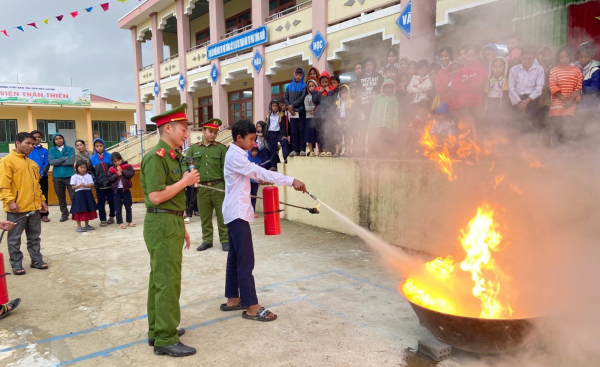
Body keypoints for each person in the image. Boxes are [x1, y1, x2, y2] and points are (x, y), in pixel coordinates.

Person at [220, 119, 306, 322]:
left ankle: (233, 299)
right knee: (246, 261)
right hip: (237, 213)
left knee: (234, 258)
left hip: (234, 212)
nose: (254, 143)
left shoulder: (237, 154)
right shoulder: (236, 156)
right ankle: (251, 306)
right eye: (251, 139)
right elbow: (258, 171)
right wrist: (290, 180)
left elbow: (250, 174)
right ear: (239, 138)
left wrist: (256, 178)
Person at [141, 103, 199, 357]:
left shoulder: (173, 156)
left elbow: (171, 199)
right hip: (162, 223)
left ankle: (158, 330)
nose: (186, 134)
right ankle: (166, 337)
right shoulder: (156, 157)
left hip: (170, 221)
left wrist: (181, 224)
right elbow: (155, 197)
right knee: (167, 281)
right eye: (183, 129)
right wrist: (185, 181)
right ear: (168, 128)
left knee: (159, 279)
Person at [0, 132, 49, 275]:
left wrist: (42, 200)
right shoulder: (7, 161)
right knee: (14, 237)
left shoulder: (32, 164)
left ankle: (36, 260)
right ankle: (16, 264)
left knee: (35, 236)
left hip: (34, 208)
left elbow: (36, 185)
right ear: (17, 143)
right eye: (27, 143)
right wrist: (10, 201)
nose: (31, 146)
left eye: (33, 144)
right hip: (17, 208)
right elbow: (3, 185)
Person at [186, 119, 229, 251]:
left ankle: (225, 240)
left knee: (222, 216)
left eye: (215, 132)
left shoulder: (221, 149)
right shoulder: (193, 149)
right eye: (210, 131)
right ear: (203, 131)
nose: (213, 134)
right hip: (202, 188)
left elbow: (225, 169)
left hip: (218, 186)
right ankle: (207, 240)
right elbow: (187, 164)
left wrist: (228, 188)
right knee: (205, 216)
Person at [548, 46, 583, 143]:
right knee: (557, 129)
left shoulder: (577, 71)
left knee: (568, 128)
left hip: (570, 105)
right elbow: (553, 86)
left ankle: (567, 152)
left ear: (571, 57)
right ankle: (557, 152)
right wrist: (563, 100)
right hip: (557, 104)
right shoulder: (554, 71)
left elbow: (578, 87)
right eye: (561, 57)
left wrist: (571, 100)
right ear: (558, 58)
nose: (564, 59)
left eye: (566, 57)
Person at [509, 46, 546, 131]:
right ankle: (515, 143)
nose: (526, 61)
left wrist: (526, 101)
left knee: (531, 124)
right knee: (516, 124)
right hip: (517, 100)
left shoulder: (539, 69)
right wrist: (519, 102)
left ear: (534, 58)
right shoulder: (514, 69)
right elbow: (511, 87)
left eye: (530, 59)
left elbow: (539, 87)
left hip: (532, 100)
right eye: (524, 58)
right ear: (520, 57)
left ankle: (529, 142)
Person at [452, 44, 488, 121]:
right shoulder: (461, 70)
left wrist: (466, 82)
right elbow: (455, 85)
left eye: (473, 55)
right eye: (469, 56)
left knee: (475, 125)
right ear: (466, 57)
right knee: (463, 125)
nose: (471, 58)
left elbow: (480, 82)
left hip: (476, 103)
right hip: (462, 103)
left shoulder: (481, 68)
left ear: (477, 55)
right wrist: (470, 82)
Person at [368, 79, 399, 156]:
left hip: (388, 125)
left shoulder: (394, 99)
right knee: (377, 140)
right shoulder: (378, 97)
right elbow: (373, 110)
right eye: (386, 87)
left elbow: (396, 114)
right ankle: (376, 153)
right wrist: (371, 124)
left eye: (390, 87)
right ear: (383, 88)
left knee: (387, 140)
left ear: (393, 88)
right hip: (378, 124)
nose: (388, 89)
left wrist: (395, 127)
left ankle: (385, 154)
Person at [90, 138, 116, 227]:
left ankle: (112, 216)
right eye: (97, 146)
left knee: (111, 201)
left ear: (103, 146)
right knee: (101, 202)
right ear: (94, 147)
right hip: (99, 185)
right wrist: (95, 180)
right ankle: (103, 219)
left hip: (110, 184)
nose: (99, 148)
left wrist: (112, 179)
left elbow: (114, 168)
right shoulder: (92, 158)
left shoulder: (109, 156)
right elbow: (90, 171)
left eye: (101, 146)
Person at [49, 133, 75, 222]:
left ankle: (75, 212)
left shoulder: (70, 149)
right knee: (61, 197)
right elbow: (51, 162)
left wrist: (58, 161)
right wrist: (64, 158)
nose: (59, 140)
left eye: (60, 138)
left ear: (63, 139)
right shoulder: (51, 150)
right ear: (54, 141)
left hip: (69, 176)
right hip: (57, 177)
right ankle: (64, 214)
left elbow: (71, 161)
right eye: (56, 139)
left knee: (73, 196)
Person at [313, 72, 339, 157]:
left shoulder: (333, 90)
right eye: (322, 82)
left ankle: (330, 150)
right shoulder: (316, 90)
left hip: (329, 115)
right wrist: (320, 92)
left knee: (329, 132)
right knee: (321, 134)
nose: (324, 84)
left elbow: (333, 100)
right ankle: (323, 150)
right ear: (320, 82)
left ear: (329, 81)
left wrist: (329, 92)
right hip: (319, 116)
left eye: (326, 82)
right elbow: (315, 100)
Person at [107, 152, 136, 230]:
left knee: (128, 206)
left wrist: (122, 171)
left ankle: (129, 221)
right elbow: (109, 179)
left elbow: (131, 174)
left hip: (126, 190)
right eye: (115, 161)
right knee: (118, 208)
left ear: (121, 159)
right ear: (112, 162)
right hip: (116, 191)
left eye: (118, 160)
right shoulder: (111, 169)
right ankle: (120, 223)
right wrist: (117, 174)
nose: (117, 162)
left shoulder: (127, 166)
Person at [284, 67, 308, 157]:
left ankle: (302, 149)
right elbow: (285, 98)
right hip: (292, 113)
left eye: (300, 75)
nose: (298, 76)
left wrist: (292, 106)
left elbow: (302, 98)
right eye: (296, 74)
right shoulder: (289, 86)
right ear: (294, 74)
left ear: (303, 75)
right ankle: (295, 150)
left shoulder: (304, 86)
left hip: (300, 112)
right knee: (294, 132)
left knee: (301, 131)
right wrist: (290, 108)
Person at [28, 130, 50, 223]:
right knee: (31, 195)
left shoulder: (44, 151)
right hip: (30, 177)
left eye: (39, 137)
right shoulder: (29, 150)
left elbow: (47, 163)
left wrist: (41, 174)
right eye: (35, 137)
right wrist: (34, 175)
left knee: (44, 195)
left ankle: (44, 214)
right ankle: (32, 214)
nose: (37, 138)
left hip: (42, 176)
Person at [70, 160, 98, 232]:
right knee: (78, 210)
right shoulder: (74, 176)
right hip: (79, 195)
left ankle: (86, 225)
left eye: (84, 167)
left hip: (87, 194)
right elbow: (73, 187)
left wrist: (84, 186)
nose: (83, 169)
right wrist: (79, 185)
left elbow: (91, 184)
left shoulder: (88, 176)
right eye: (81, 167)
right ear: (77, 168)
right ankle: (79, 226)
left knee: (87, 209)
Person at [574, 42, 600, 117]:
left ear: (591, 56)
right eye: (581, 57)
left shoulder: (596, 68)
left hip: (590, 102)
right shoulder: (573, 66)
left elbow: (595, 88)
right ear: (578, 56)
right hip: (575, 101)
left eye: (586, 56)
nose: (583, 59)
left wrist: (581, 90)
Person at [482, 57, 510, 127]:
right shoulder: (488, 79)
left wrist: (503, 105)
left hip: (499, 101)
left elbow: (505, 93)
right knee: (490, 118)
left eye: (500, 66)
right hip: (489, 101)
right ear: (491, 68)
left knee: (499, 118)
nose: (498, 69)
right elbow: (485, 92)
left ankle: (499, 134)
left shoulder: (505, 80)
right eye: (495, 67)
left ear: (504, 67)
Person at [265, 99, 290, 170]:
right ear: (271, 107)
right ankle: (273, 165)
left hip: (279, 133)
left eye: (276, 106)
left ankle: (286, 158)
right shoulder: (268, 115)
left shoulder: (281, 114)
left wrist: (284, 135)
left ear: (278, 107)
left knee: (284, 141)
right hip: (270, 133)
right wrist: (265, 135)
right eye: (273, 106)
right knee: (272, 149)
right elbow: (266, 126)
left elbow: (283, 126)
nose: (275, 107)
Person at [538, 44, 557, 118]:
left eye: (549, 55)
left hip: (552, 96)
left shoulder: (556, 67)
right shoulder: (537, 67)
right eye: (544, 55)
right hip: (540, 97)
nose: (546, 58)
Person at [334, 84, 353, 157]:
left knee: (348, 136)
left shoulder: (351, 102)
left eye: (345, 92)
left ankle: (347, 151)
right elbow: (334, 113)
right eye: (342, 93)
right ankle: (337, 151)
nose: (343, 94)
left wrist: (348, 121)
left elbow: (353, 113)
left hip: (347, 120)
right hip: (339, 120)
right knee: (337, 136)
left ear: (348, 93)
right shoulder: (337, 102)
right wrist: (337, 120)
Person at [304, 79, 319, 157]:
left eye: (313, 86)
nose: (312, 88)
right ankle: (311, 151)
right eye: (310, 86)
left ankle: (320, 150)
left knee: (317, 134)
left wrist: (315, 110)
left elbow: (320, 105)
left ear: (316, 86)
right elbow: (306, 107)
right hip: (309, 117)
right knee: (309, 135)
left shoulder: (318, 95)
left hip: (317, 117)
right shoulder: (307, 97)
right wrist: (313, 109)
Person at [247, 146, 261, 218]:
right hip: (248, 181)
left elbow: (259, 170)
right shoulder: (247, 159)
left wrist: (259, 180)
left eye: (256, 151)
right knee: (247, 197)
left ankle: (252, 212)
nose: (254, 153)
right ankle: (247, 212)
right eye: (253, 151)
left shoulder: (258, 160)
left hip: (255, 181)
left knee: (254, 197)